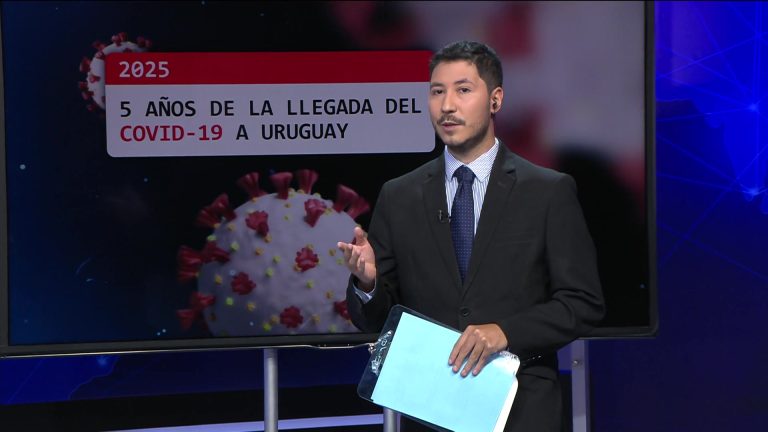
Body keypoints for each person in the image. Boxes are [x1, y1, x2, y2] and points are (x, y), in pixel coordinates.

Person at [338, 40, 604, 432]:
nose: (447, 105)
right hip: (431, 411)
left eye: (463, 90)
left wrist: (505, 333)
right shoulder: (400, 195)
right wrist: (368, 283)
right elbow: (377, 320)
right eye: (437, 92)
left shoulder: (547, 191)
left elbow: (582, 304)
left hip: (522, 410)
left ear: (495, 100)